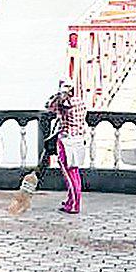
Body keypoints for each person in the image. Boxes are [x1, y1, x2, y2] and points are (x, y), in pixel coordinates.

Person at [45, 79, 90, 215]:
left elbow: (48, 106)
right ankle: (71, 200)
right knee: (74, 171)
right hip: (79, 139)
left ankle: (74, 204)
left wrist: (58, 95)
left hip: (66, 141)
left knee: (69, 174)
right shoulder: (80, 102)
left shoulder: (64, 104)